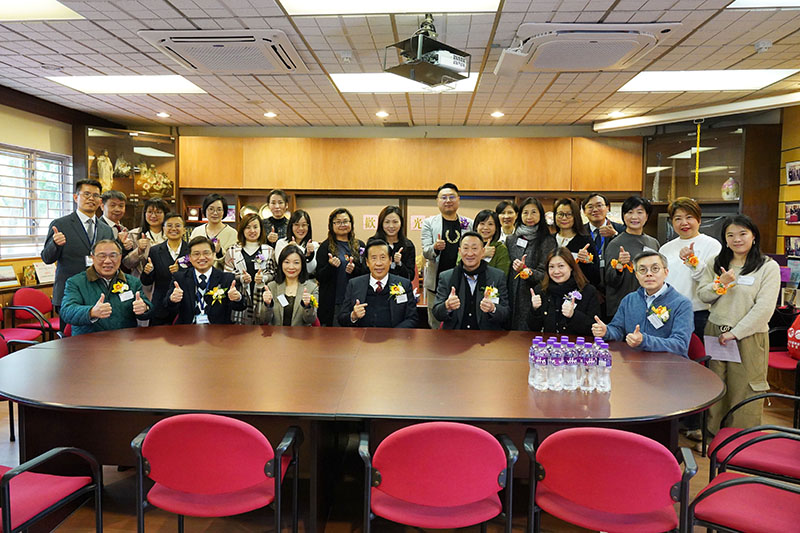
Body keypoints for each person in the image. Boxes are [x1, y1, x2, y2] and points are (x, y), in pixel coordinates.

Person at [697, 215, 780, 435]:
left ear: (754, 236)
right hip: (716, 331)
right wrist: (720, 285)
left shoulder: (767, 266)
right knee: (716, 383)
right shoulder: (716, 262)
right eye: (730, 235)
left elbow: (764, 308)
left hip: (749, 335)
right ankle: (712, 433)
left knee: (746, 386)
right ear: (725, 239)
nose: (737, 239)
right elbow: (703, 295)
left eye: (743, 234)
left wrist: (736, 333)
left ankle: (742, 436)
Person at [592, 251, 693, 357]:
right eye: (642, 270)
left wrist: (644, 341)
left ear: (666, 272)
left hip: (667, 363)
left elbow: (680, 345)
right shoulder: (629, 300)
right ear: (636, 275)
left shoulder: (682, 304)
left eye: (655, 269)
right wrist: (606, 331)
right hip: (633, 361)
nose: (649, 274)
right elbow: (618, 329)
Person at [41, 178, 115, 313]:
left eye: (96, 195)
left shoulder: (106, 230)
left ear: (100, 201)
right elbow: (47, 258)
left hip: (98, 294)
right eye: (86, 194)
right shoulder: (60, 224)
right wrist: (55, 244)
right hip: (69, 294)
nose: (91, 198)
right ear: (76, 197)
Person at [659, 197, 722, 340]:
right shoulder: (665, 248)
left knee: (697, 353)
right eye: (678, 219)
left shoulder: (712, 245)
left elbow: (712, 282)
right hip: (669, 313)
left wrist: (693, 262)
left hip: (698, 313)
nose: (684, 223)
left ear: (699, 220)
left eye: (689, 217)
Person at [59, 239, 151, 335]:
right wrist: (91, 312)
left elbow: (148, 309)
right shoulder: (76, 282)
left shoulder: (133, 282)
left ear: (120, 257)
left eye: (113, 256)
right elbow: (66, 311)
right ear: (92, 257)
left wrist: (145, 308)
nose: (107, 261)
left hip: (125, 339)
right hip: (88, 340)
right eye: (102, 256)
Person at [433, 231, 510, 330]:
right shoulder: (446, 277)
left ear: (483, 251)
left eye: (474, 248)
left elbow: (506, 313)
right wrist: (447, 306)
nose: (470, 253)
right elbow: (437, 313)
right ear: (459, 251)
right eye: (465, 248)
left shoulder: (497, 276)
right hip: (455, 335)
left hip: (487, 335)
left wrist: (493, 309)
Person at [421, 183, 472, 329]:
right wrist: (435, 248)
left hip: (463, 281)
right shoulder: (429, 223)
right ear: (437, 201)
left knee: (462, 320)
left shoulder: (469, 223)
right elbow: (426, 251)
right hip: (436, 283)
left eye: (452, 197)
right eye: (443, 197)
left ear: (458, 199)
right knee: (436, 321)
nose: (448, 200)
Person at [338, 239, 417, 328]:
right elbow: (342, 318)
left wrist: (394, 334)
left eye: (383, 257)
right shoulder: (354, 284)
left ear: (390, 260)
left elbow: (412, 319)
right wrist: (353, 316)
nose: (379, 263)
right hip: (362, 335)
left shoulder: (404, 284)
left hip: (394, 335)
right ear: (367, 262)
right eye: (374, 258)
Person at [166, 236, 245, 325]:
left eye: (206, 253)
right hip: (188, 329)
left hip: (218, 330)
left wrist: (237, 298)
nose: (202, 258)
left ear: (214, 255)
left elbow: (241, 306)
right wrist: (172, 300)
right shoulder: (180, 278)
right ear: (190, 258)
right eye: (196, 254)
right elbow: (167, 306)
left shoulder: (226, 278)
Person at [604, 196, 660, 317]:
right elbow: (609, 280)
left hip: (649, 305)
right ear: (623, 216)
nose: (634, 217)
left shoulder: (653, 243)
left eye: (639, 212)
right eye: (630, 212)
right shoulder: (615, 244)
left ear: (647, 216)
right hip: (623, 307)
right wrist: (619, 266)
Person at [507, 197, 557, 330]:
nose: (529, 217)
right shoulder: (511, 240)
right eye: (525, 212)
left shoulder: (547, 241)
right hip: (511, 296)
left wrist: (526, 270)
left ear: (541, 215)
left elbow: (546, 274)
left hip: (533, 297)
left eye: (534, 212)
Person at [528, 248, 600, 337]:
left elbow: (594, 328)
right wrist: (535, 310)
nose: (556, 271)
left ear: (571, 267)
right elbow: (533, 328)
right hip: (549, 343)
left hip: (577, 344)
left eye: (561, 266)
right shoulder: (541, 290)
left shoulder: (587, 291)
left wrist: (574, 315)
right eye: (551, 267)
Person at [314, 208, 367, 326]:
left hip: (356, 301)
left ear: (351, 224)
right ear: (331, 225)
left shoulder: (360, 245)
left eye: (345, 221)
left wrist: (354, 270)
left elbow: (366, 272)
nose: (342, 225)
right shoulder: (325, 247)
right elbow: (319, 276)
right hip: (333, 302)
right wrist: (331, 266)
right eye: (338, 222)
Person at [224, 213, 277, 325]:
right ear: (242, 230)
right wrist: (240, 278)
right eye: (248, 227)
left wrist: (264, 278)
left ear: (261, 229)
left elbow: (273, 273)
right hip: (240, 299)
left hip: (262, 298)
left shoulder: (269, 250)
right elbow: (226, 275)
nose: (252, 231)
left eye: (255, 227)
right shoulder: (232, 251)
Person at [140, 213, 189, 326]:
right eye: (169, 225)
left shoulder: (191, 250)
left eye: (178, 225)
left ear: (184, 230)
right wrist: (147, 272)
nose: (173, 229)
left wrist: (181, 271)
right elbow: (146, 282)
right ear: (164, 229)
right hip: (160, 307)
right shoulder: (155, 251)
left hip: (185, 306)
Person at [255, 244, 319, 326]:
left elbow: (311, 320)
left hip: (300, 333)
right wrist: (267, 304)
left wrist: (307, 306)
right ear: (281, 264)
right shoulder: (271, 287)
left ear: (302, 265)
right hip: (276, 333)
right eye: (287, 262)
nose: (291, 267)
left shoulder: (312, 288)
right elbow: (264, 319)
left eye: (296, 263)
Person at [124, 197, 169, 297]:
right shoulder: (134, 234)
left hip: (165, 286)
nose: (153, 216)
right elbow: (127, 264)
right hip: (141, 286)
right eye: (150, 212)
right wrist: (139, 250)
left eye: (158, 212)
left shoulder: (171, 236)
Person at [552, 198, 600, 288]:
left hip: (577, 290)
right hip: (551, 290)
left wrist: (586, 261)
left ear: (576, 216)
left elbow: (596, 276)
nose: (564, 218)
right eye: (560, 214)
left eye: (569, 214)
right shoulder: (549, 239)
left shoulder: (585, 241)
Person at [189, 193, 238, 269]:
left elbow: (234, 261)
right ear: (205, 210)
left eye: (219, 209)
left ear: (224, 212)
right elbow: (190, 256)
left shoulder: (232, 233)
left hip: (222, 274)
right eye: (211, 209)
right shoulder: (197, 231)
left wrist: (220, 252)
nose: (215, 213)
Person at [371, 206, 416, 281]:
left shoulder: (408, 245)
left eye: (395, 222)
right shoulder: (373, 244)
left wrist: (399, 264)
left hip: (399, 286)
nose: (391, 226)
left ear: (401, 223)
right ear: (381, 223)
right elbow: (366, 270)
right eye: (387, 222)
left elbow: (410, 276)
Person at [275, 209, 318, 276]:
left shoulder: (314, 245)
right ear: (291, 226)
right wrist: (290, 249)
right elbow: (281, 265)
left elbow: (310, 270)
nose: (300, 228)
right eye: (296, 224)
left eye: (304, 225)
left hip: (306, 281)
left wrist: (309, 255)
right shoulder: (281, 243)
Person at [472, 209, 510, 276]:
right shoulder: (467, 244)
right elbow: (459, 266)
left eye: (490, 224)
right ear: (476, 226)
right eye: (482, 223)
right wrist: (481, 255)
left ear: (496, 228)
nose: (485, 227)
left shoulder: (500, 249)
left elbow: (501, 276)